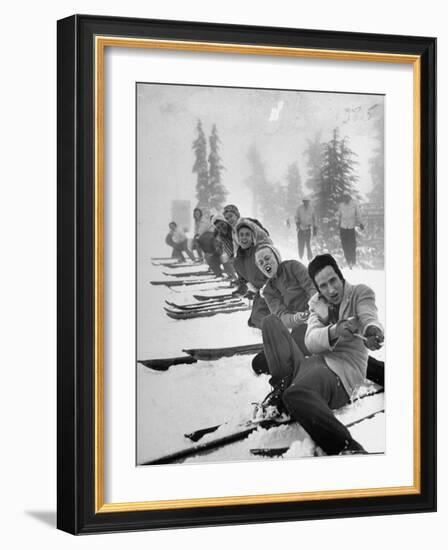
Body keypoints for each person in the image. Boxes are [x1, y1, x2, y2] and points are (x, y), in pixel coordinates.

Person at [260, 253, 384, 455]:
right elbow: (310, 341)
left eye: (333, 280)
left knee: (295, 394)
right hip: (313, 363)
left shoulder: (360, 293)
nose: (331, 289)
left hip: (339, 374)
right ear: (317, 288)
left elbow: (368, 314)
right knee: (270, 323)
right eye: (323, 286)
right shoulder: (316, 303)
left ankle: (346, 447)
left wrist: (371, 329)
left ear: (340, 275)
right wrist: (333, 329)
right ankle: (281, 388)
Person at [233, 219, 272, 329]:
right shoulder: (237, 261)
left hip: (273, 292)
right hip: (260, 294)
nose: (244, 238)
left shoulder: (260, 252)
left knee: (261, 319)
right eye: (241, 235)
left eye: (247, 235)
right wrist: (245, 288)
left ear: (252, 238)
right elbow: (243, 279)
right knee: (254, 321)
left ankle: (280, 338)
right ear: (237, 238)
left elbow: (274, 273)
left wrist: (267, 288)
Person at [337, 194, 364, 268]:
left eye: (347, 197)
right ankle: (348, 261)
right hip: (343, 227)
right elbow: (339, 215)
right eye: (344, 197)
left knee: (352, 245)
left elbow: (358, 214)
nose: (345, 199)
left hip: (351, 227)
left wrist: (360, 223)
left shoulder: (354, 204)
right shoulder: (341, 205)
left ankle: (353, 260)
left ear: (349, 198)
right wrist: (338, 224)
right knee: (345, 245)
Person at [294, 197, 317, 262]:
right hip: (300, 229)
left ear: (309, 202)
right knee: (300, 244)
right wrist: (297, 223)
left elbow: (314, 218)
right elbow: (296, 217)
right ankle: (300, 256)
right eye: (305, 201)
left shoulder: (312, 209)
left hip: (308, 228)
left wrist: (315, 227)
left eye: (307, 201)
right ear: (303, 202)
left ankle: (310, 258)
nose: (306, 203)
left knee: (308, 243)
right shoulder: (299, 208)